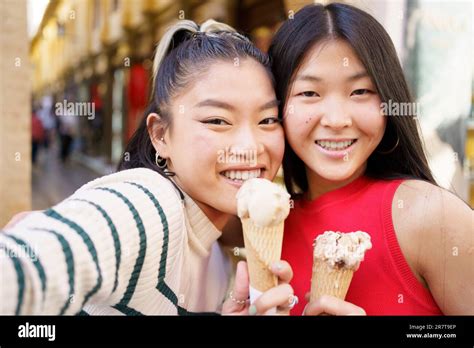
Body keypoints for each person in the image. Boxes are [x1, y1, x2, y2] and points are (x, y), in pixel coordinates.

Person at [0, 19, 295, 315]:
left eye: (267, 120)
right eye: (216, 121)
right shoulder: (150, 206)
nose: (250, 147)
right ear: (160, 136)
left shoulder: (221, 256)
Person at [268, 2, 473, 315]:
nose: (336, 119)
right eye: (309, 93)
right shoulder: (271, 227)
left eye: (361, 91)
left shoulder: (432, 216)